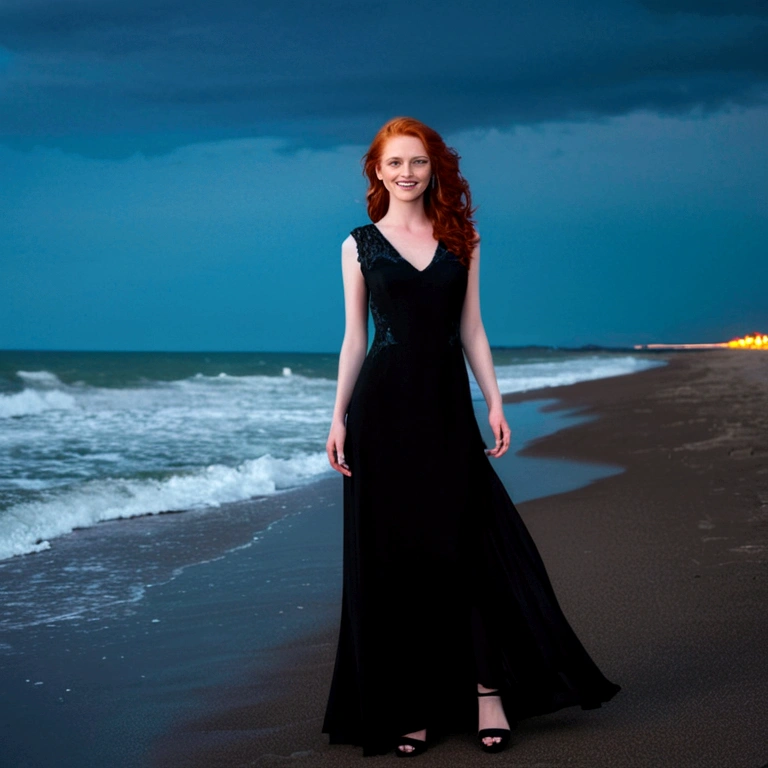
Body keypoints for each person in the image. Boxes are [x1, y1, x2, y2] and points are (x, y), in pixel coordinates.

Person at [322, 117, 620, 758]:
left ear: (434, 169)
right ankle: (409, 703)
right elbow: (354, 339)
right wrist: (338, 416)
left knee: (468, 551)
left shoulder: (464, 237)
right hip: (382, 414)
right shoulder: (358, 245)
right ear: (377, 171)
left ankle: (490, 693)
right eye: (395, 163)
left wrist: (496, 402)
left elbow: (473, 331)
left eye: (419, 162)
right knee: (396, 559)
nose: (407, 173)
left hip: (446, 413)